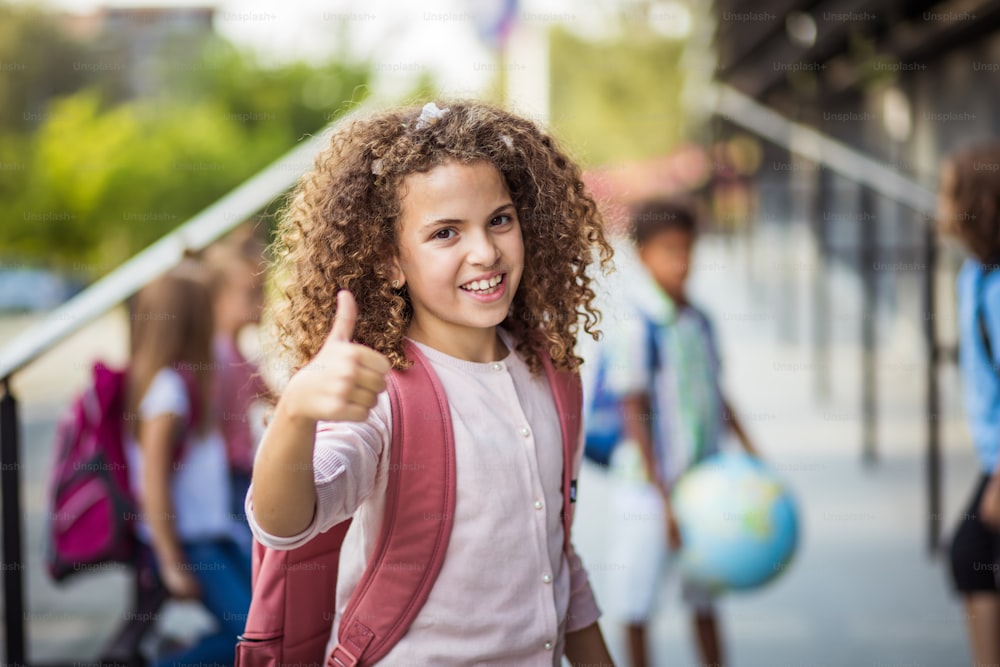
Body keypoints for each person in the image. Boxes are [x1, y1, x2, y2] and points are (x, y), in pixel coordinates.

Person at [246, 101, 616, 665]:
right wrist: (296, 412)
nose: (485, 251)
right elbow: (285, 522)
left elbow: (556, 562)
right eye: (446, 233)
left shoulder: (553, 371)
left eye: (500, 219)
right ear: (390, 262)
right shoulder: (382, 393)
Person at [602, 197, 758, 667]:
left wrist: (751, 454)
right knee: (638, 600)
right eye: (668, 250)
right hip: (648, 491)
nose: (681, 261)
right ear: (642, 253)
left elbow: (717, 392)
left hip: (703, 483)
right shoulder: (637, 324)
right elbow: (634, 410)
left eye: (687, 249)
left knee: (706, 596)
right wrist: (662, 495)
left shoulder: (700, 320)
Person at [125, 261, 251, 666]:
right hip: (191, 542)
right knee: (251, 635)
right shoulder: (168, 392)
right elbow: (154, 482)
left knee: (266, 626)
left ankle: (179, 652)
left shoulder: (185, 382)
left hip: (212, 533)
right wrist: (171, 562)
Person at [938, 141, 1000, 666]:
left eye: (948, 193)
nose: (941, 206)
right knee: (971, 556)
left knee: (970, 554)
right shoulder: (975, 277)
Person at [204, 227, 271, 551]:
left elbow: (276, 395)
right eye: (252, 293)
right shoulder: (216, 357)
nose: (263, 302)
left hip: (240, 471)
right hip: (224, 478)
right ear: (219, 297)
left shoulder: (236, 353)